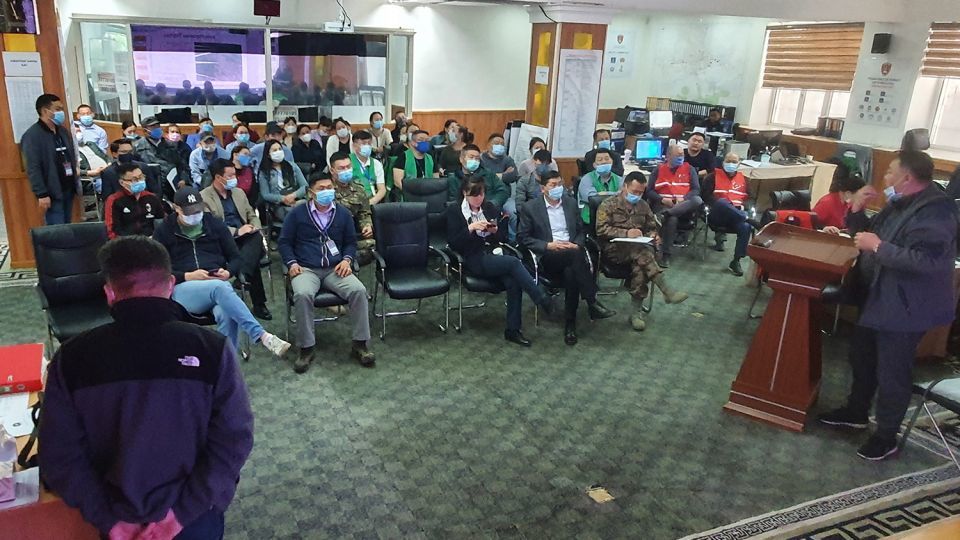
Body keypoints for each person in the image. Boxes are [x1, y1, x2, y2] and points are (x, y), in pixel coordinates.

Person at [39, 236, 254, 540]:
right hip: (196, 518)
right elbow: (234, 440)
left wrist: (109, 521)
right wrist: (181, 514)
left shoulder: (71, 358)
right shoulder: (212, 349)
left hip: (116, 518)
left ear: (109, 292)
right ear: (171, 286)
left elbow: (59, 456)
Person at [818, 151, 958, 461]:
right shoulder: (899, 203)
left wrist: (879, 246)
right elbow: (867, 238)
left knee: (892, 371)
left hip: (907, 305)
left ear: (907, 178)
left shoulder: (937, 211)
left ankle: (886, 436)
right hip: (879, 297)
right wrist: (857, 212)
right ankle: (856, 412)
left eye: (890, 173)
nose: (884, 178)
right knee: (862, 357)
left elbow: (927, 262)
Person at [153, 186, 291, 356]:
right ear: (177, 209)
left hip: (216, 285)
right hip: (182, 290)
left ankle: (225, 361)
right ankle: (261, 335)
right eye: (189, 212)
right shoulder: (164, 231)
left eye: (198, 210)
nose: (195, 215)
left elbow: (236, 258)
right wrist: (187, 276)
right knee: (221, 288)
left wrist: (228, 272)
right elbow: (157, 271)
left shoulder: (214, 224)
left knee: (226, 312)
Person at [278, 172, 377, 373]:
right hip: (306, 268)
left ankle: (360, 344)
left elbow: (350, 242)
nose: (327, 192)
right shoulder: (297, 214)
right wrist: (291, 263)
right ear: (311, 192)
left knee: (358, 290)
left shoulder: (342, 214)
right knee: (302, 294)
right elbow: (284, 242)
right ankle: (306, 348)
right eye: (321, 189)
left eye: (329, 188)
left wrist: (347, 260)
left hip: (335, 268)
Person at [447, 174, 555, 346]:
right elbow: (453, 243)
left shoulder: (489, 207)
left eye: (481, 194)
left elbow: (503, 237)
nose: (479, 198)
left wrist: (494, 231)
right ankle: (540, 297)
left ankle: (513, 330)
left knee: (513, 280)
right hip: (472, 258)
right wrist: (471, 228)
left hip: (494, 253)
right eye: (474, 195)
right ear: (465, 193)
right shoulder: (455, 211)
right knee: (514, 263)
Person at [517, 170, 616, 345]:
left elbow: (581, 230)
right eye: (553, 185)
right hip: (549, 255)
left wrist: (576, 244)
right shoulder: (530, 207)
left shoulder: (570, 203)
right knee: (575, 257)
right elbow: (523, 238)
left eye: (560, 184)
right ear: (543, 188)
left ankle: (570, 325)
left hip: (572, 252)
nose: (558, 188)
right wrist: (548, 245)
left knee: (571, 273)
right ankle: (591, 301)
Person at [596, 172, 688, 331]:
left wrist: (653, 236)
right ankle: (666, 290)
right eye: (634, 191)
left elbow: (651, 227)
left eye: (640, 192)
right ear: (625, 187)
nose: (637, 195)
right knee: (643, 253)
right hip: (613, 249)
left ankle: (635, 313)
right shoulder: (608, 205)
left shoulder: (643, 205)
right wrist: (626, 233)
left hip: (638, 251)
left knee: (641, 266)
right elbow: (601, 229)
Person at [201, 158, 271, 320]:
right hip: (222, 240)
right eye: (230, 176)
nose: (235, 178)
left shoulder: (239, 193)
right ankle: (258, 303)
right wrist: (237, 231)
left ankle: (243, 275)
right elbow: (210, 226)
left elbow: (252, 215)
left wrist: (254, 226)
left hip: (247, 237)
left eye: (235, 175)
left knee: (254, 238)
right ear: (218, 177)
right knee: (252, 257)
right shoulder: (204, 197)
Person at [22, 93, 79, 225]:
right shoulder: (32, 136)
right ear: (45, 111)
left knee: (67, 227)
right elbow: (33, 167)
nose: (61, 113)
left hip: (68, 188)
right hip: (52, 192)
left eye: (62, 109)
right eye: (57, 109)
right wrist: (41, 193)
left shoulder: (62, 131)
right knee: (57, 229)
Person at [646, 144, 703, 267]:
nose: (681, 157)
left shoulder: (690, 169)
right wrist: (662, 199)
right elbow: (649, 191)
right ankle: (666, 255)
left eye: (682, 155)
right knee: (672, 219)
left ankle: (665, 215)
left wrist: (684, 199)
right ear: (668, 156)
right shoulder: (658, 169)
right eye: (678, 155)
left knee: (697, 200)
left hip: (684, 206)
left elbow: (696, 190)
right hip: (664, 204)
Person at [701, 153, 755, 276]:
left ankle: (736, 261)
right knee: (722, 202)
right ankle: (746, 218)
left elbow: (751, 199)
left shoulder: (744, 180)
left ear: (739, 164)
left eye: (734, 162)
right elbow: (705, 196)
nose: (731, 164)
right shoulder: (712, 177)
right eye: (728, 161)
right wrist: (726, 205)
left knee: (745, 227)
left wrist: (743, 206)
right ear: (723, 162)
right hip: (717, 215)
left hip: (736, 217)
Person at [330, 154, 375, 265]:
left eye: (348, 167)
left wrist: (367, 225)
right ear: (332, 170)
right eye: (341, 168)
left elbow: (364, 212)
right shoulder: (324, 188)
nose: (346, 170)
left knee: (374, 244)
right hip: (330, 237)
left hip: (350, 234)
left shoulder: (358, 188)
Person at [104, 162, 165, 239]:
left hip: (151, 240)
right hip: (125, 241)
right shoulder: (114, 200)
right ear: (122, 182)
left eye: (141, 177)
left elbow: (162, 221)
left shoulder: (152, 197)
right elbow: (111, 230)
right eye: (135, 179)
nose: (140, 181)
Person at [135, 116, 190, 197]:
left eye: (157, 126)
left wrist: (183, 179)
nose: (156, 128)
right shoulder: (138, 147)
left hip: (171, 187)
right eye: (153, 127)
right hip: (150, 188)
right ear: (145, 131)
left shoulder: (171, 145)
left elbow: (182, 165)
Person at [446, 144, 510, 213]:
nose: (474, 161)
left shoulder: (488, 173)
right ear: (461, 159)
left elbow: (503, 191)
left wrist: (493, 203)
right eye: (471, 157)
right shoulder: (454, 178)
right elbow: (454, 201)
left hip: (490, 210)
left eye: (477, 158)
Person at [258, 139, 308, 222]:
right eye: (274, 150)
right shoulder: (264, 172)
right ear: (268, 154)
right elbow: (265, 194)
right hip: (278, 205)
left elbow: (305, 186)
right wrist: (283, 199)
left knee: (306, 209)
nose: (278, 152)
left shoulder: (292, 166)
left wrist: (294, 195)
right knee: (294, 215)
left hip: (296, 200)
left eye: (280, 149)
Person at [578, 148, 623, 224]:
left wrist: (602, 193)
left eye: (607, 159)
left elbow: (624, 197)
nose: (604, 162)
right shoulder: (587, 179)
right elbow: (592, 198)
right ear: (594, 165)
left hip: (615, 218)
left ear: (612, 162)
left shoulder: (619, 179)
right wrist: (615, 194)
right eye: (600, 160)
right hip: (592, 218)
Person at [392, 129, 437, 195]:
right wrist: (411, 193)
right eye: (420, 140)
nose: (424, 142)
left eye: (427, 140)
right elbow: (397, 182)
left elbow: (436, 179)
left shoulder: (430, 158)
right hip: (408, 194)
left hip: (428, 193)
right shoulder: (403, 157)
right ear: (413, 143)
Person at [348, 130, 387, 205]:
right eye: (363, 143)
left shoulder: (376, 163)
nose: (367, 146)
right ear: (354, 145)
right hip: (352, 200)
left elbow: (382, 189)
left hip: (371, 200)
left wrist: (371, 202)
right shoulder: (347, 161)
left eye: (369, 143)